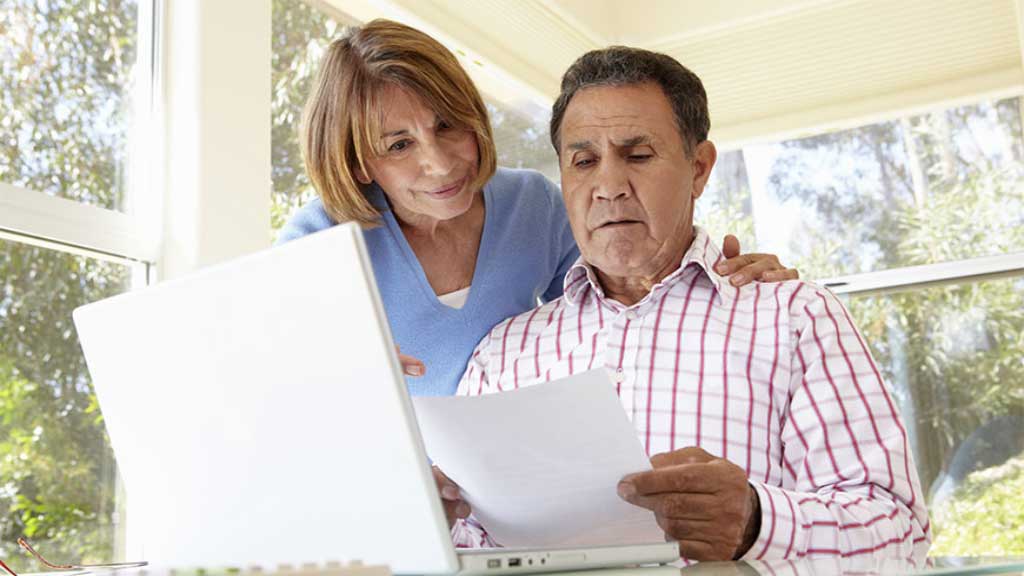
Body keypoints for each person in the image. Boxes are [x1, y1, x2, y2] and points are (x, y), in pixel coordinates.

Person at [447, 46, 931, 562]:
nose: (608, 187)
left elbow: (899, 530)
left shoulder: (794, 317)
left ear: (698, 168)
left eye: (637, 155)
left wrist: (756, 521)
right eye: (584, 161)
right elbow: (468, 544)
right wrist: (433, 520)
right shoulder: (504, 352)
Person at [276, 19, 797, 399]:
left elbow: (619, 304)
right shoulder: (319, 242)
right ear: (359, 163)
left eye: (447, 126)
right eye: (398, 145)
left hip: (508, 488)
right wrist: (325, 373)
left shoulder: (534, 206)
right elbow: (266, 385)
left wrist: (724, 279)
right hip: (389, 483)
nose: (439, 164)